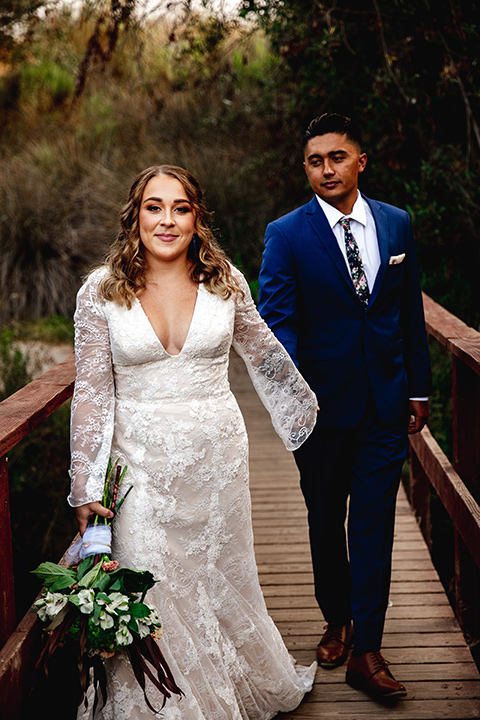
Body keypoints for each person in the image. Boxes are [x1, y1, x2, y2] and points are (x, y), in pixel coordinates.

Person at [67, 164, 319, 719]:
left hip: (216, 460)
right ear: (135, 216)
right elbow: (91, 391)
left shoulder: (225, 280)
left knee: (215, 577)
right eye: (154, 207)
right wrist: (85, 482)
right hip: (137, 464)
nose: (167, 220)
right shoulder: (100, 292)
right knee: (150, 577)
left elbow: (266, 354)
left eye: (180, 208)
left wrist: (311, 417)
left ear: (197, 218)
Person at [258, 113, 431, 701]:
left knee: (375, 524)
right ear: (305, 168)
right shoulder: (286, 233)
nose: (326, 169)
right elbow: (277, 326)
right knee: (326, 521)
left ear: (361, 160)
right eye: (315, 161)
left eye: (337, 157)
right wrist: (295, 404)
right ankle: (337, 617)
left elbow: (408, 313)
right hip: (321, 411)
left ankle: (367, 649)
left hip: (385, 405)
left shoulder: (397, 224)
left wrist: (418, 388)